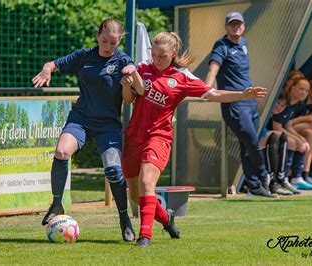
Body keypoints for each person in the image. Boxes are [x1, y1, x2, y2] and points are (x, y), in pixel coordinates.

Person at [122, 31, 267, 247]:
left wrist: (242, 95)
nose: (157, 60)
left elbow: (214, 94)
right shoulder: (142, 69)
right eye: (154, 54)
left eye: (162, 56)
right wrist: (126, 84)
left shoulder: (182, 77)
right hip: (134, 137)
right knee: (135, 195)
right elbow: (129, 99)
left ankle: (145, 236)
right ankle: (166, 218)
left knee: (146, 184)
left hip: (159, 136)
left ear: (173, 54)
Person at [31, 18, 143, 241]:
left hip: (108, 124)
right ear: (98, 36)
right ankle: (56, 204)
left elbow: (139, 90)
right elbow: (53, 63)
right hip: (81, 118)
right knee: (62, 152)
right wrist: (46, 69)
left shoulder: (123, 60)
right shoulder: (85, 55)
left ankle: (124, 219)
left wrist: (133, 71)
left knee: (113, 170)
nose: (108, 46)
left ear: (119, 41)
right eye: (104, 41)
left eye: (113, 42)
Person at [205, 12, 275, 197]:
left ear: (244, 26)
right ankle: (265, 176)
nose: (236, 27)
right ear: (226, 27)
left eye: (239, 24)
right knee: (252, 141)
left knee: (247, 145)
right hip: (234, 104)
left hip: (250, 102)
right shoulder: (221, 46)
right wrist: (206, 88)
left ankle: (254, 187)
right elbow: (213, 67)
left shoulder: (244, 44)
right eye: (232, 24)